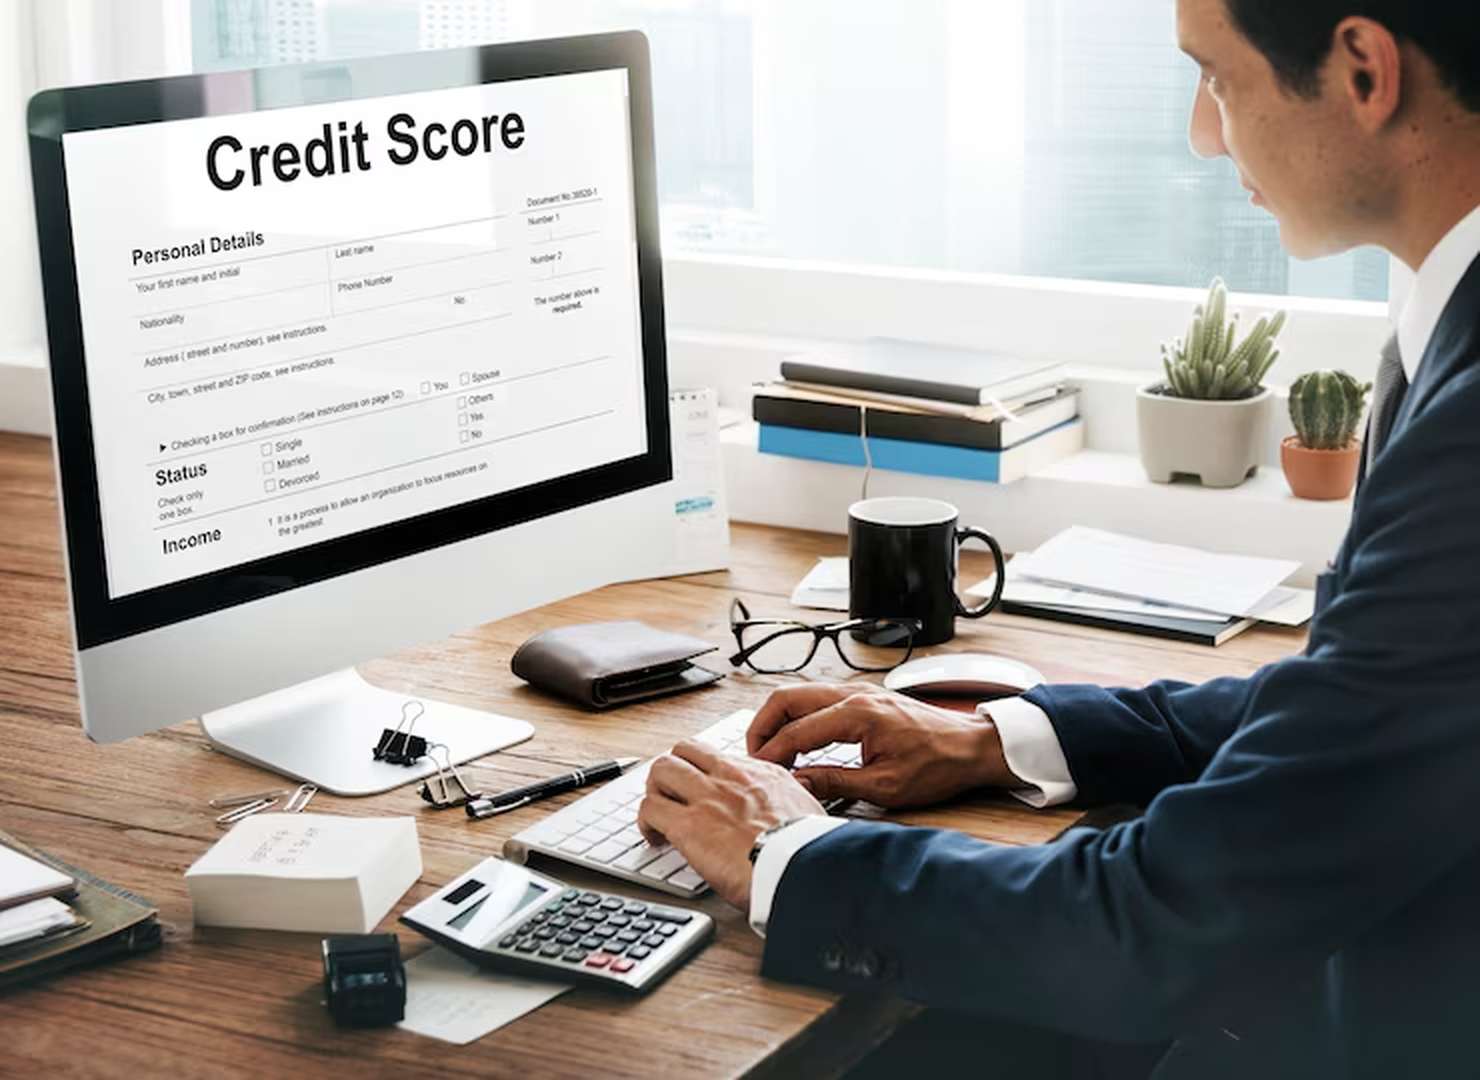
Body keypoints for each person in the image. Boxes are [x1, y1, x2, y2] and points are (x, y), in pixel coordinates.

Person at [636, 1, 1480, 1076]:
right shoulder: (1445, 320)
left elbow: (1159, 928)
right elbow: (1365, 703)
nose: (1201, 134)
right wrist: (1003, 739)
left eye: (1215, 77)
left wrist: (787, 852)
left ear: (1363, 71)